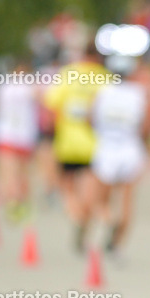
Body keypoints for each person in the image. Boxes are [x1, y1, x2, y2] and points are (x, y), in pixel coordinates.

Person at [44, 43, 110, 251]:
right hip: (95, 144)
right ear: (98, 58)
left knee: (67, 187)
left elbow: (51, 106)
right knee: (89, 191)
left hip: (68, 143)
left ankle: (77, 216)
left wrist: (53, 133)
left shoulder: (68, 74)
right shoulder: (106, 78)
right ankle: (90, 217)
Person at [90, 55, 150, 257]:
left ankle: (109, 220)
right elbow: (146, 126)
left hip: (106, 147)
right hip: (130, 149)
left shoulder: (102, 92)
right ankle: (116, 245)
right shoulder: (138, 93)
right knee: (127, 200)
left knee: (101, 200)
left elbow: (91, 119)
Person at [0, 59, 42, 222]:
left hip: (11, 135)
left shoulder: (5, 86)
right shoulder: (30, 86)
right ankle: (19, 204)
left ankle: (14, 205)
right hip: (20, 136)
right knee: (19, 173)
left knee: (12, 173)